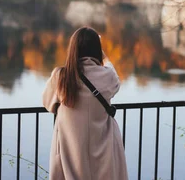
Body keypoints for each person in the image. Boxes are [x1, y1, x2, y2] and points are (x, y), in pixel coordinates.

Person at [42, 27, 128, 180]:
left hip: (71, 153)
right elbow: (115, 79)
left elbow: (47, 103)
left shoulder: (61, 77)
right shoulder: (107, 76)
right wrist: (105, 58)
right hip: (103, 150)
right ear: (97, 50)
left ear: (73, 49)